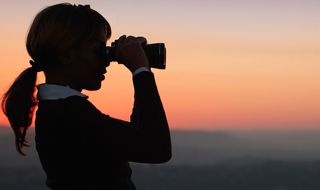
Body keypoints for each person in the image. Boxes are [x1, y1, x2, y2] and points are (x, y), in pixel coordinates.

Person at [1, 3, 171, 190]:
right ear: (66, 56)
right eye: (99, 50)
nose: (107, 60)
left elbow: (137, 135)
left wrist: (140, 70)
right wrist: (140, 71)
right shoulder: (69, 115)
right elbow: (156, 148)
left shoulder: (60, 111)